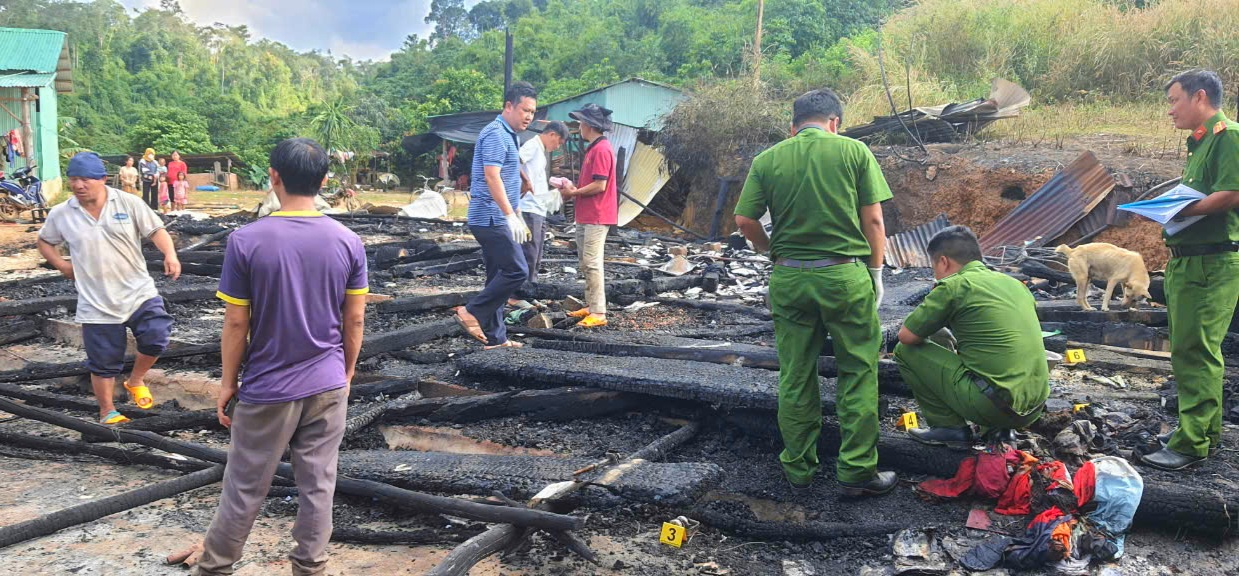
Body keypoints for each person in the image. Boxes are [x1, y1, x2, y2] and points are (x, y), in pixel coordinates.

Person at [196, 138, 368, 575]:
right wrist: (345, 373)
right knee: (318, 485)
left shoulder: (246, 241)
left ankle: (216, 566)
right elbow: (355, 321)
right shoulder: (348, 241)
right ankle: (310, 567)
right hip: (328, 382)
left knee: (245, 486)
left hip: (268, 387)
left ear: (273, 176)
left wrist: (228, 382)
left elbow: (237, 323)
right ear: (325, 181)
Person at [733, 88, 896, 496]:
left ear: (793, 127)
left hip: (789, 279)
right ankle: (857, 471)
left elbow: (745, 220)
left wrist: (773, 252)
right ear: (835, 122)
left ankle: (799, 468)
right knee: (858, 372)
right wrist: (876, 272)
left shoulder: (768, 159)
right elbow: (874, 222)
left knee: (796, 373)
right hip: (844, 277)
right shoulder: (854, 152)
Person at [1139, 70, 1239, 472]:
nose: (1170, 110)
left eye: (1174, 101)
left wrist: (1178, 210)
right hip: (1187, 260)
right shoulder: (1198, 144)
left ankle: (1192, 443)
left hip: (1212, 262)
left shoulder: (1227, 136)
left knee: (1197, 351)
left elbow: (1232, 193)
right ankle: (1202, 432)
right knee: (1187, 349)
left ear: (1200, 97)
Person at [36, 152, 181, 425]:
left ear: (103, 179)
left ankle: (135, 379)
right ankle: (107, 411)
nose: (79, 186)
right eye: (74, 180)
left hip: (138, 291)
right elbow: (44, 241)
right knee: (103, 361)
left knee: (157, 335)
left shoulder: (127, 203)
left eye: (86, 180)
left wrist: (170, 255)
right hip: (96, 299)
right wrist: (61, 264)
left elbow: (156, 230)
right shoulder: (62, 213)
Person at [893, 226, 1049, 445]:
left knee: (905, 351)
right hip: (1033, 409)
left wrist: (936, 297)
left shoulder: (954, 286)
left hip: (992, 407)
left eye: (933, 266)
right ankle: (999, 432)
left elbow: (907, 336)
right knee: (988, 351)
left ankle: (948, 428)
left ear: (944, 262)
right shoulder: (1015, 285)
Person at [454, 82, 537, 349]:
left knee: (496, 277)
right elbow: (492, 176)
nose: (528, 116)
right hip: (490, 217)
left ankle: (495, 339)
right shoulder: (495, 134)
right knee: (516, 270)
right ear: (509, 106)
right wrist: (509, 214)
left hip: (499, 216)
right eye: (525, 110)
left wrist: (518, 206)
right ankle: (471, 311)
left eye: (533, 112)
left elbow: (507, 174)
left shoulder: (510, 134)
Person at [560, 104, 617, 328]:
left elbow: (600, 185)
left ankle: (599, 312)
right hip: (586, 213)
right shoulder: (594, 148)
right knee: (585, 262)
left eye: (581, 122)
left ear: (589, 125)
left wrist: (574, 192)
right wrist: (575, 190)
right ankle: (591, 305)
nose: (580, 126)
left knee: (592, 263)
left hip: (596, 214)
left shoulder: (601, 150)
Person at [518, 120, 568, 282]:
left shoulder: (541, 150)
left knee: (537, 252)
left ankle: (531, 288)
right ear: (552, 134)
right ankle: (518, 293)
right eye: (558, 142)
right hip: (528, 207)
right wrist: (526, 182)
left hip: (538, 208)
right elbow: (514, 161)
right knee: (529, 252)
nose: (558, 147)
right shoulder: (533, 145)